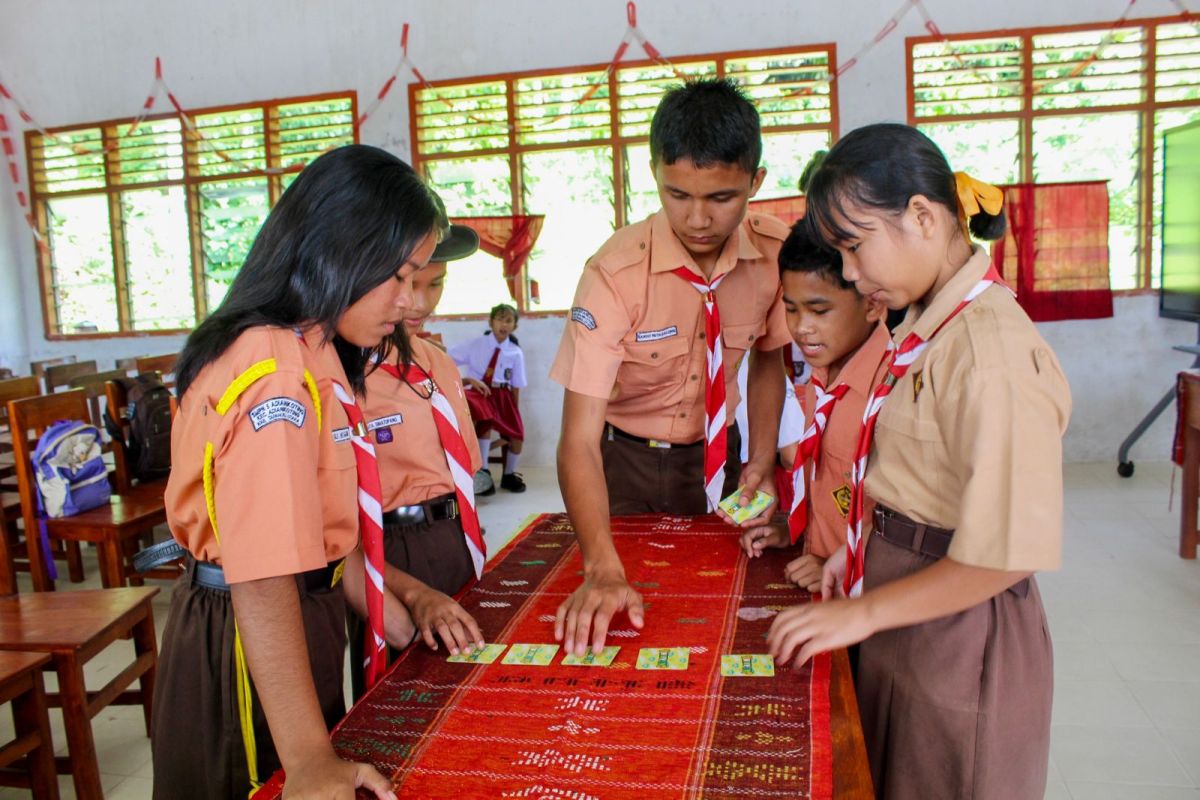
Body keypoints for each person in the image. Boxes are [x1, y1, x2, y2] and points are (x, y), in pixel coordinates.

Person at [766, 123, 1071, 799]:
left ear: (923, 218)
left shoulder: (989, 353)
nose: (849, 271)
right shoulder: (925, 330)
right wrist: (863, 549)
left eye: (855, 245)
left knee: (948, 775)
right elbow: (917, 478)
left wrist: (863, 614)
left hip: (962, 626)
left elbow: (1006, 554)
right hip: (908, 599)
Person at [153, 144, 447, 800]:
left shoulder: (312, 351)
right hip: (249, 634)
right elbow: (261, 575)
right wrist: (311, 760)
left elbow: (317, 527)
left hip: (290, 620)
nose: (408, 301)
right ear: (340, 251)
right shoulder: (275, 371)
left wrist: (389, 604)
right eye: (399, 275)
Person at [550, 78, 790, 656]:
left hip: (722, 455)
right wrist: (600, 564)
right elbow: (577, 440)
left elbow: (767, 360)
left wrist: (760, 459)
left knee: (724, 618)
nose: (698, 218)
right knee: (629, 621)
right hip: (623, 462)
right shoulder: (614, 273)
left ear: (756, 182)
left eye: (722, 197)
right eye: (677, 194)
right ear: (653, 173)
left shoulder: (776, 254)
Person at [348, 219, 488, 698]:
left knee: (466, 691)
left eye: (436, 284)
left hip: (453, 538)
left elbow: (460, 468)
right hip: (389, 554)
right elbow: (336, 523)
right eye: (409, 283)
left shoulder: (435, 361)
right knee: (403, 700)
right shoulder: (344, 375)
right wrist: (401, 589)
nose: (422, 303)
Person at [739, 221, 889, 593]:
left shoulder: (892, 394)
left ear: (872, 304)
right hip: (817, 577)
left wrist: (839, 557)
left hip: (867, 594)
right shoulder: (819, 381)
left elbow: (906, 525)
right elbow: (827, 488)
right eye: (791, 310)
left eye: (819, 311)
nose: (801, 328)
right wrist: (792, 526)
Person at [449, 303, 528, 493]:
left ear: (514, 326)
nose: (503, 324)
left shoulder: (515, 352)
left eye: (508, 321)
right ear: (491, 322)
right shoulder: (476, 344)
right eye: (499, 319)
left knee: (517, 435)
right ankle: (484, 474)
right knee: (484, 422)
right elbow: (447, 359)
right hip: (480, 393)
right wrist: (465, 380)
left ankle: (509, 475)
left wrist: (514, 410)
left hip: (503, 396)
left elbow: (516, 384)